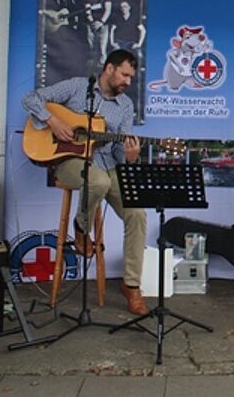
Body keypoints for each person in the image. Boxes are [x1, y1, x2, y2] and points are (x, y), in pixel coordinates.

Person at [22, 49, 149, 315]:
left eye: (131, 77)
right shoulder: (79, 87)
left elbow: (118, 151)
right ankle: (81, 229)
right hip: (69, 162)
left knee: (137, 212)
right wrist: (53, 121)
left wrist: (130, 157)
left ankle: (131, 285)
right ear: (109, 69)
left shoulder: (125, 105)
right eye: (124, 74)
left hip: (107, 164)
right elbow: (30, 98)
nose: (128, 81)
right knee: (98, 182)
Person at [84, 0, 113, 69]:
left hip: (103, 25)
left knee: (102, 49)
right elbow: (87, 11)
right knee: (92, 47)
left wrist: (101, 22)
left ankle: (103, 68)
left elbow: (108, 10)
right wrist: (92, 22)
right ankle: (92, 70)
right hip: (91, 24)